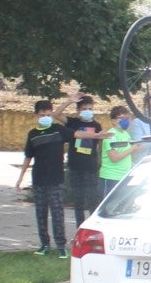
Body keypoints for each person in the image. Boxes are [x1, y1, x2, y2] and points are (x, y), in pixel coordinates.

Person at [17, 100, 69, 256]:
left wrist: (96, 135)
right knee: (41, 213)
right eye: (42, 115)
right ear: (36, 115)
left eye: (48, 114)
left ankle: (61, 246)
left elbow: (77, 134)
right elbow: (28, 157)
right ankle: (44, 244)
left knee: (57, 213)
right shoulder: (32, 134)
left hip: (56, 180)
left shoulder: (58, 130)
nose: (45, 117)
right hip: (39, 179)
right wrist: (20, 178)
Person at [63, 95, 104, 225]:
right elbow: (56, 114)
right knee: (78, 202)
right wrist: (69, 101)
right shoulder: (73, 123)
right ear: (78, 110)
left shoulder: (97, 125)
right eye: (84, 108)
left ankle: (92, 227)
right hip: (76, 167)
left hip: (91, 167)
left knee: (93, 201)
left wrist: (99, 163)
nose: (87, 110)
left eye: (90, 108)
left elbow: (98, 147)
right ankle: (79, 229)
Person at [98, 104, 136, 199]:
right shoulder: (111, 135)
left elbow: (127, 153)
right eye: (121, 118)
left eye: (127, 118)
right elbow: (114, 157)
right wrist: (132, 149)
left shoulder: (125, 134)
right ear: (113, 121)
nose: (125, 121)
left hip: (124, 177)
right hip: (111, 177)